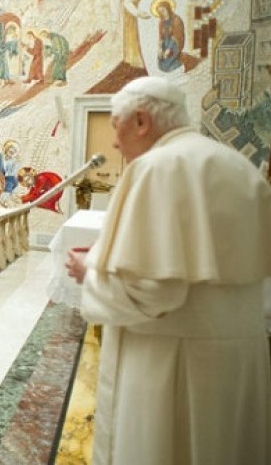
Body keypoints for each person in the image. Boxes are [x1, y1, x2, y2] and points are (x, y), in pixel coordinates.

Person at [65, 76, 271, 465]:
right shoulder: (235, 164)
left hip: (175, 371)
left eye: (115, 125)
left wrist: (88, 272)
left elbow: (152, 292)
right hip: (239, 362)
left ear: (141, 121)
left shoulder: (157, 167)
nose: (113, 141)